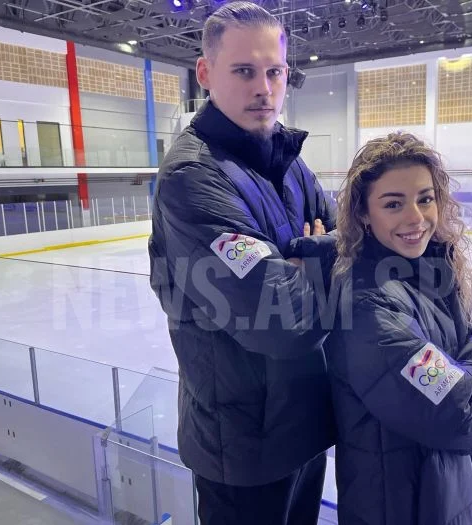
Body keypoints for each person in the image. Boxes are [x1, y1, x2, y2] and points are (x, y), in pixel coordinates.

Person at [147, 2, 336, 524]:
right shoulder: (192, 177)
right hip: (243, 448)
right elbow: (281, 320)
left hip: (306, 425)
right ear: (205, 73)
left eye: (275, 72)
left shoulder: (289, 162)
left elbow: (352, 242)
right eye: (244, 71)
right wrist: (320, 255)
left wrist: (306, 262)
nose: (264, 88)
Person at [325, 132, 472, 525]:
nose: (416, 218)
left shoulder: (439, 274)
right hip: (398, 508)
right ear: (363, 214)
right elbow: (465, 415)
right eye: (393, 204)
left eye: (425, 199)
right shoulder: (367, 306)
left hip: (451, 496)